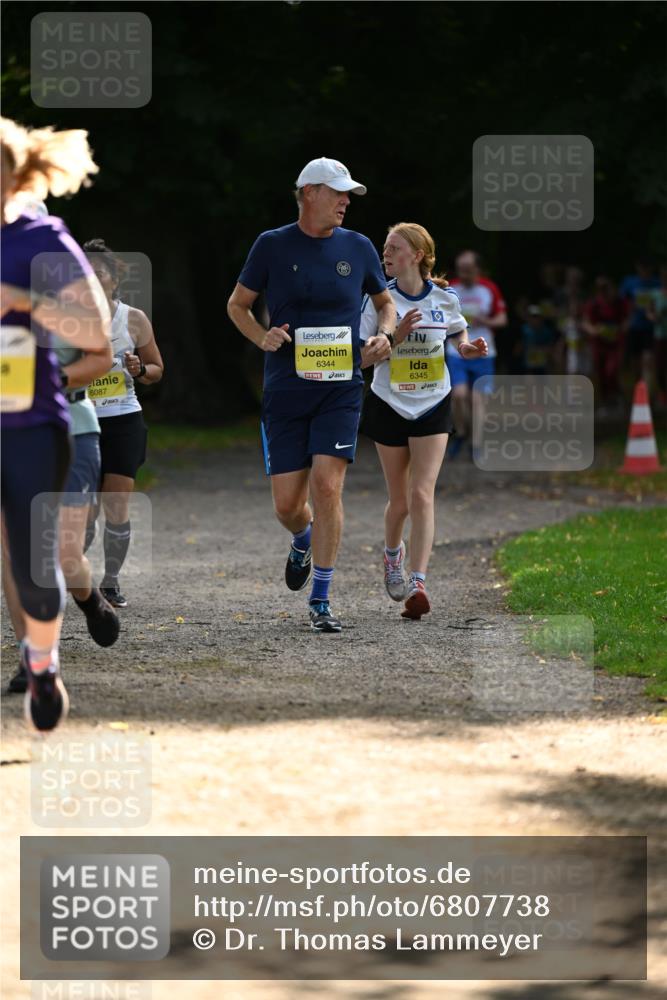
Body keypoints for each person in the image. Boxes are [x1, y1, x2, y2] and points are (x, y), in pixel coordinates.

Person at [227, 156, 396, 633]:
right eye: (337, 192)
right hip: (285, 387)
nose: (346, 201)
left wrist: (384, 334)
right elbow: (237, 305)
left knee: (327, 485)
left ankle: (321, 598)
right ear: (308, 194)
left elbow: (384, 303)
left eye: (348, 194)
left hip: (341, 386)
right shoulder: (272, 245)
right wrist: (263, 337)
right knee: (287, 504)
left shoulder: (358, 247)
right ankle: (301, 537)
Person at [1, 116, 111, 730]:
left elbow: (93, 337)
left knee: (30, 560)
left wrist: (23, 303)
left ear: (14, 176)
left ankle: (42, 665)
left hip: (29, 422)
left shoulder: (43, 238)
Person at [359, 223, 486, 619]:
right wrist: (394, 338)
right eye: (385, 247)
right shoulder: (380, 302)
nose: (385, 254)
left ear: (416, 254)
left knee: (422, 494)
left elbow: (458, 337)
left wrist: (468, 349)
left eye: (394, 248)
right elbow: (363, 358)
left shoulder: (445, 298)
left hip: (433, 403)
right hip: (390, 403)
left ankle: (418, 581)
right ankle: (392, 556)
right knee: (399, 500)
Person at [83, 239, 164, 608]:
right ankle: (75, 575)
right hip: (80, 422)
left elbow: (157, 370)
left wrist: (140, 369)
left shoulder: (133, 319)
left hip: (123, 419)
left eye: (98, 272)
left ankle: (111, 582)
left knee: (116, 505)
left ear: (114, 280)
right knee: (84, 512)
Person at [446, 251, 507, 459]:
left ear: (477, 269)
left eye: (468, 270)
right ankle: (461, 433)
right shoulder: (450, 287)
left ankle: (476, 444)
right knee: (459, 395)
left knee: (478, 399)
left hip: (484, 351)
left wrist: (485, 321)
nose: (463, 274)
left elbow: (502, 319)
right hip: (457, 350)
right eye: (460, 270)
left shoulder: (489, 289)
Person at [581, 276, 629, 413]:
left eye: (606, 288)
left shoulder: (619, 302)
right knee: (601, 373)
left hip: (614, 344)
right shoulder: (593, 304)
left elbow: (626, 319)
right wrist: (594, 330)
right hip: (599, 344)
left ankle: (617, 396)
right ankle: (606, 401)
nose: (604, 291)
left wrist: (621, 329)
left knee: (611, 371)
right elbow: (585, 322)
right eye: (601, 289)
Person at [620, 259, 659, 386]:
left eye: (647, 267)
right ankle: (638, 386)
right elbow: (621, 302)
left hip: (650, 327)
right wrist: (626, 317)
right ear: (638, 267)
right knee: (635, 362)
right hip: (634, 326)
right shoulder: (630, 282)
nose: (644, 270)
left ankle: (648, 389)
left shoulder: (656, 283)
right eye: (642, 267)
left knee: (648, 360)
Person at [646, 264, 667, 408]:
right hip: (660, 335)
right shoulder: (655, 294)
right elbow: (649, 312)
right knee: (659, 367)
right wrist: (654, 317)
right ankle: (662, 394)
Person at [521, 304, 558, 376]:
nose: (535, 319)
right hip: (527, 366)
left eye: (537, 316)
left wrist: (541, 349)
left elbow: (551, 347)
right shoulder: (524, 330)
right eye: (532, 316)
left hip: (542, 366)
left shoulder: (546, 332)